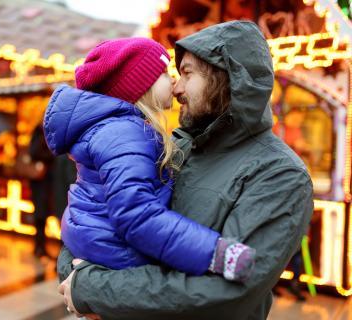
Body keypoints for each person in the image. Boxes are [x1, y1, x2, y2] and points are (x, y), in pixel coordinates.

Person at [57, 21, 314, 320]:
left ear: (227, 78)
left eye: (187, 73)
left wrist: (92, 289)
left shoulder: (280, 173)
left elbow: (226, 293)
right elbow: (89, 218)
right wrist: (74, 275)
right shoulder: (173, 145)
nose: (176, 88)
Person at [45, 36, 257, 286]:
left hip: (99, 244)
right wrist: (216, 253)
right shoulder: (125, 135)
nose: (175, 85)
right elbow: (137, 214)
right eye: (166, 74)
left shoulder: (117, 130)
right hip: (118, 252)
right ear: (139, 85)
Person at [28, 124, 56, 258]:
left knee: (40, 214)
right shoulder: (40, 136)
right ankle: (40, 247)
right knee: (41, 214)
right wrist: (51, 155)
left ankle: (39, 246)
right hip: (41, 182)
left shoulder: (36, 135)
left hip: (39, 182)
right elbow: (35, 153)